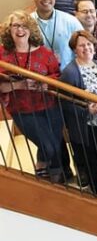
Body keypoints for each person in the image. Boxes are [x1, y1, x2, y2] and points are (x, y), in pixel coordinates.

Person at [0, 10, 64, 182]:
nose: (20, 29)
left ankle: (56, 179)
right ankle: (41, 166)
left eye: (24, 25)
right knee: (47, 146)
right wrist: (18, 85)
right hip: (21, 109)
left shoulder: (45, 53)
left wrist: (46, 83)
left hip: (49, 105)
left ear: (30, 29)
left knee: (55, 144)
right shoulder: (2, 54)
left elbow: (57, 76)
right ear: (9, 29)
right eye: (15, 25)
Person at [59, 30, 97, 200]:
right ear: (74, 49)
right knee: (94, 163)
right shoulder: (70, 72)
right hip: (87, 127)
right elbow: (65, 103)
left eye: (89, 44)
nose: (86, 48)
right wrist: (87, 110)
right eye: (81, 45)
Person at [30, 0, 83, 70]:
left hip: (67, 77)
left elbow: (84, 49)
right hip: (38, 78)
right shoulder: (27, 23)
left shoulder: (70, 21)